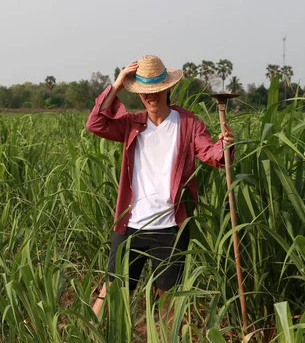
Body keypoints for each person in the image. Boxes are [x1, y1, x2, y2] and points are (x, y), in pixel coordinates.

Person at [85, 55, 234, 330]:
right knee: (111, 290)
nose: (151, 97)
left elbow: (210, 153)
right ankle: (87, 336)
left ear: (167, 89)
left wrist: (223, 146)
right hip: (130, 225)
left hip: (170, 227)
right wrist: (117, 84)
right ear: (139, 94)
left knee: (168, 299)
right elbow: (95, 124)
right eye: (144, 92)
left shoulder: (188, 123)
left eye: (156, 91)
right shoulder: (131, 124)